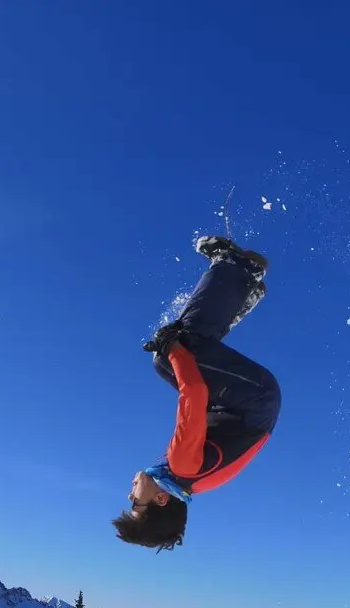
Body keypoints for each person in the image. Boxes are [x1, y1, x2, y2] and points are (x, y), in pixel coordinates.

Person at [113, 235, 281, 551]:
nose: (130, 495)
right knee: (174, 352)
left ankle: (240, 290)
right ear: (161, 499)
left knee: (170, 363)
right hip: (253, 397)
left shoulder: (189, 481)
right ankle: (237, 267)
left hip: (247, 406)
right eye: (135, 505)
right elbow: (194, 392)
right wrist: (173, 347)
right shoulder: (182, 466)